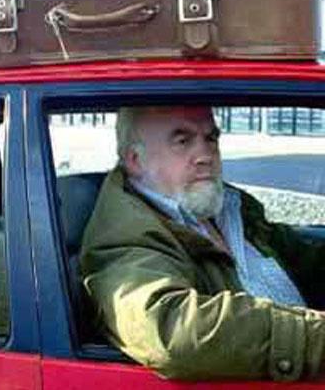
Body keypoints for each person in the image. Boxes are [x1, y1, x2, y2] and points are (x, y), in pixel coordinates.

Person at [79, 106, 325, 381]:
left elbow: (306, 259)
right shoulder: (123, 236)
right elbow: (174, 330)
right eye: (183, 141)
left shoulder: (226, 208)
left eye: (211, 139)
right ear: (135, 160)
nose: (206, 156)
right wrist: (314, 339)